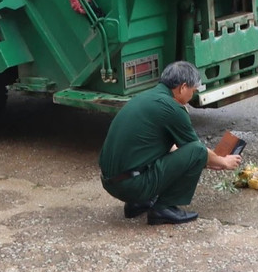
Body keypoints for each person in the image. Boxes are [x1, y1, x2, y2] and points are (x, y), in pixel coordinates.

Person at [98, 61, 243, 225]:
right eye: (193, 90)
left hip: (111, 182)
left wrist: (209, 160)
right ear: (183, 87)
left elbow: (170, 147)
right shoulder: (173, 108)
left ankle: (137, 203)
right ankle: (163, 208)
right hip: (132, 186)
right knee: (198, 151)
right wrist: (224, 162)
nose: (192, 95)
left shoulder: (146, 97)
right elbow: (196, 150)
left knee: (185, 151)